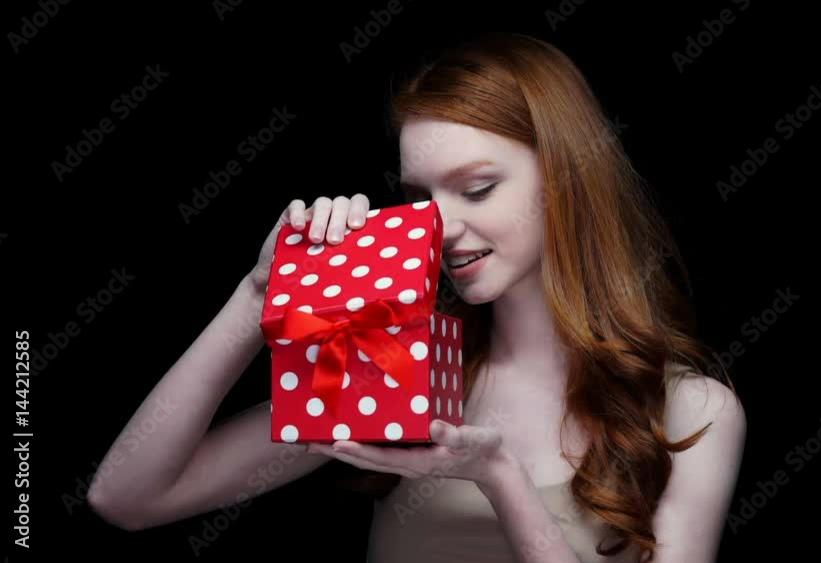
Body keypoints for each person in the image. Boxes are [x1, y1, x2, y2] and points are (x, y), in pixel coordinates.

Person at [87, 32, 746, 563]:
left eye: (478, 188)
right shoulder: (393, 368)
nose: (439, 225)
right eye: (419, 198)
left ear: (564, 183)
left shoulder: (690, 409)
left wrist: (498, 476)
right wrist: (257, 294)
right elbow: (128, 496)